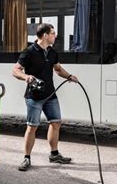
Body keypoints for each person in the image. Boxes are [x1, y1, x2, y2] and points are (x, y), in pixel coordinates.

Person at [12, 23, 78, 171]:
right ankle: (26, 158)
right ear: (45, 35)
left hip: (50, 95)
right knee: (32, 127)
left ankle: (54, 154)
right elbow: (15, 70)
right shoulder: (29, 52)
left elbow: (58, 69)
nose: (55, 36)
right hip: (34, 96)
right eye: (53, 33)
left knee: (56, 123)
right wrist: (26, 77)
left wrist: (69, 76)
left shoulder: (52, 52)